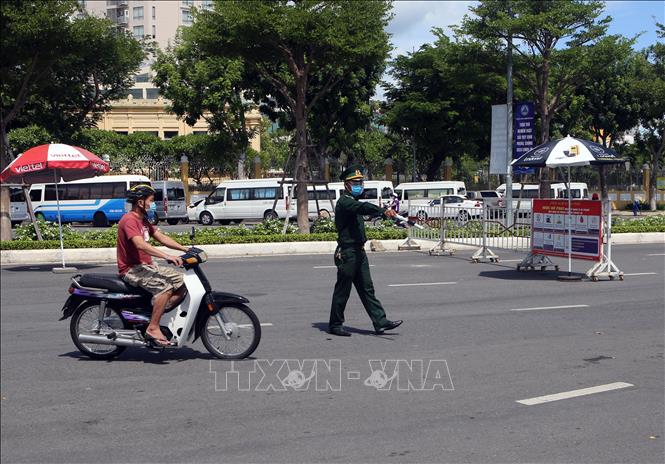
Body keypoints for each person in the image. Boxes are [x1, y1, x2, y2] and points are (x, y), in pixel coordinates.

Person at [328, 164, 403, 337]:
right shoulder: (345, 202)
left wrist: (383, 213)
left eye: (360, 182)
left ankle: (380, 321)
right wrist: (383, 211)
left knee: (367, 289)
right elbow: (364, 208)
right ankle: (335, 324)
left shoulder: (353, 202)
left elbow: (365, 210)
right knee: (343, 290)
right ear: (346, 184)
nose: (359, 185)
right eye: (355, 182)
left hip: (359, 252)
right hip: (348, 253)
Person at [117, 184, 189, 347]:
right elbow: (140, 245)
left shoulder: (143, 220)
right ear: (141, 202)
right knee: (165, 288)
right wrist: (167, 256)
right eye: (151, 200)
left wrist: (186, 249)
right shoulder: (129, 220)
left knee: (184, 282)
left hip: (148, 266)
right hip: (132, 269)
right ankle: (153, 327)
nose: (153, 204)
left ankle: (155, 312)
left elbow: (161, 237)